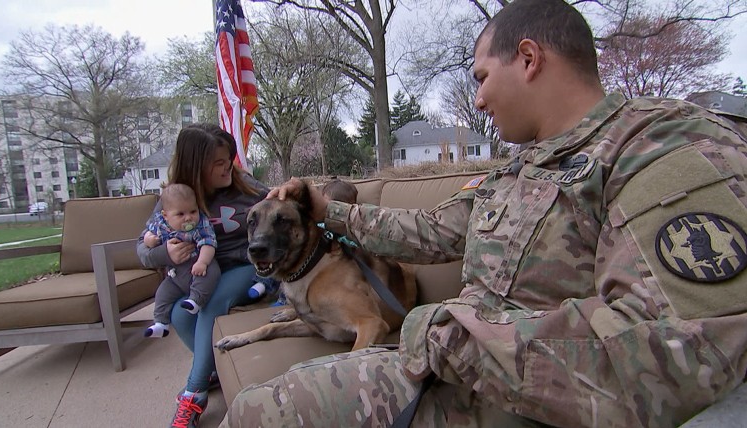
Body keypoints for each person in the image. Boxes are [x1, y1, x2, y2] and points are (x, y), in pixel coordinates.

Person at [222, 0, 747, 427]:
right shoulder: (515, 170)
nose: (477, 100)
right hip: (458, 372)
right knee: (255, 408)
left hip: (530, 402)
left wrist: (444, 334)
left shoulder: (661, 147)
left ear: (528, 58)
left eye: (481, 77)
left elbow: (677, 352)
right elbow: (430, 233)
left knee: (267, 414)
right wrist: (327, 210)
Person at [137, 123, 269, 428]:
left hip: (248, 267)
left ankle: (193, 395)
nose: (227, 168)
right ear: (196, 165)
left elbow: (278, 200)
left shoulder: (245, 185)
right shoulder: (177, 199)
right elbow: (142, 248)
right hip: (205, 273)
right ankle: (214, 371)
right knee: (178, 315)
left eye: (229, 160)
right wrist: (164, 254)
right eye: (218, 163)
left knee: (211, 303)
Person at [143, 183, 220, 338]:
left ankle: (196, 301)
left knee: (212, 273)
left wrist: (202, 262)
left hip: (198, 266)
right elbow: (146, 235)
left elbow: (208, 243)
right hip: (174, 275)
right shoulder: (160, 224)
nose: (188, 217)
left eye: (193, 211)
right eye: (180, 214)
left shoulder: (200, 225)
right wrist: (150, 240)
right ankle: (160, 323)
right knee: (162, 293)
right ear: (166, 215)